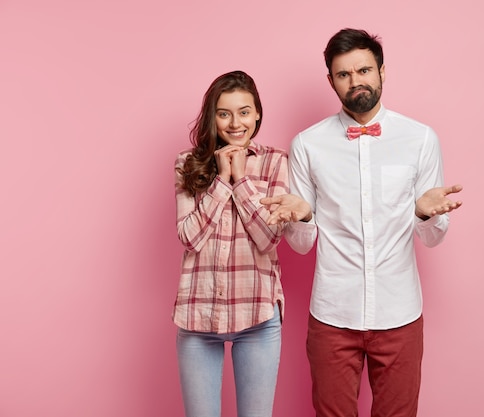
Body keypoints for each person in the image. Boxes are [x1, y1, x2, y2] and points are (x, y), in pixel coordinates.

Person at [260, 28, 463, 416]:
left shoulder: (420, 139)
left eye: (365, 70)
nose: (356, 81)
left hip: (400, 312)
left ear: (383, 72)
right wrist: (302, 217)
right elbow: (302, 244)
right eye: (344, 74)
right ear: (331, 81)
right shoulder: (307, 145)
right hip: (333, 314)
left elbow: (433, 238)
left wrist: (423, 213)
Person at [173, 70, 296, 417]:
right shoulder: (188, 163)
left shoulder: (276, 161)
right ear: (213, 115)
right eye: (224, 113)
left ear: (257, 113)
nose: (235, 123)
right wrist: (221, 180)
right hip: (198, 315)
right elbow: (189, 237)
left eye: (244, 111)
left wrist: (241, 178)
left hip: (257, 314)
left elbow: (269, 237)